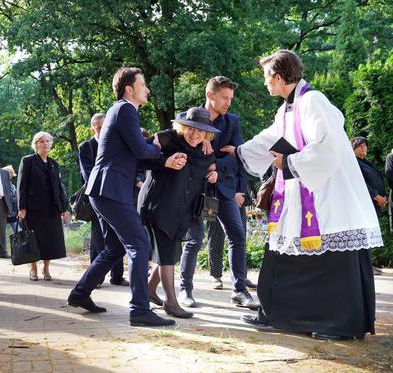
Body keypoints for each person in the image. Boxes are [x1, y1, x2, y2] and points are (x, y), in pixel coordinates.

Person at [225, 49, 380, 340]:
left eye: (266, 77)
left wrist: (291, 163)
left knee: (331, 265)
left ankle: (339, 325)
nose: (264, 83)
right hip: (300, 195)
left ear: (280, 77)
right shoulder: (287, 108)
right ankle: (276, 314)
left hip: (328, 198)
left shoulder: (313, 101)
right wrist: (240, 152)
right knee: (282, 255)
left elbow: (329, 147)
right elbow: (271, 138)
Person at [67, 67, 176, 327]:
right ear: (130, 88)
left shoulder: (121, 111)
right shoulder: (125, 109)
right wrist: (159, 148)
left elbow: (134, 155)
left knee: (116, 248)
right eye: (143, 84)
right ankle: (139, 310)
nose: (147, 89)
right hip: (110, 190)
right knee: (140, 245)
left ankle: (81, 293)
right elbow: (141, 149)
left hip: (107, 190)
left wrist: (164, 162)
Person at [178, 76, 259, 310]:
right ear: (209, 95)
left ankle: (239, 291)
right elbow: (186, 155)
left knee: (237, 235)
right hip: (194, 189)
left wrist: (216, 167)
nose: (228, 103)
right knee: (194, 240)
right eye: (224, 98)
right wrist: (210, 161)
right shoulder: (189, 119)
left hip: (222, 187)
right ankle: (185, 290)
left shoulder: (232, 122)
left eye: (230, 99)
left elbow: (237, 156)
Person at [139, 107, 219, 319]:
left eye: (201, 131)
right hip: (158, 205)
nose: (195, 134)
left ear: (207, 134)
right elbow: (141, 158)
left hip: (182, 209)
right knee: (166, 255)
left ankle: (148, 290)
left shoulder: (205, 150)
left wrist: (214, 173)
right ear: (183, 126)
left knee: (170, 254)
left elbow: (210, 166)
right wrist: (166, 161)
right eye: (191, 129)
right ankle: (171, 302)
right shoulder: (166, 139)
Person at [78, 113, 128, 286]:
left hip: (116, 196)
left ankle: (117, 276)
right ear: (93, 128)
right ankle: (97, 278)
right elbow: (87, 173)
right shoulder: (86, 147)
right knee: (98, 238)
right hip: (97, 197)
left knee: (117, 237)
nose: (101, 130)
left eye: (104, 127)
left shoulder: (116, 144)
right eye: (98, 128)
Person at [17, 131, 68, 281]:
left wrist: (63, 207)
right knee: (34, 239)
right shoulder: (28, 161)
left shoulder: (54, 164)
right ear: (35, 144)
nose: (45, 143)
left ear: (51, 144)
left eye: (47, 141)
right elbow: (21, 185)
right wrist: (22, 208)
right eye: (41, 141)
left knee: (50, 240)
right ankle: (33, 269)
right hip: (33, 209)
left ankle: (46, 268)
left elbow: (58, 187)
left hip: (51, 208)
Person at [352, 136, 385, 276]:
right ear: (353, 148)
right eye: (361, 146)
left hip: (374, 203)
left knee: (369, 236)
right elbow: (360, 183)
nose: (364, 148)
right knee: (363, 235)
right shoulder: (353, 163)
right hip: (364, 204)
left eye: (365, 145)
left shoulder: (365, 162)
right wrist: (375, 196)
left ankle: (368, 265)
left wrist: (382, 198)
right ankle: (365, 267)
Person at [3, 165, 19, 234]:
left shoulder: (12, 185)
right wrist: (19, 199)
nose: (9, 175)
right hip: (4, 213)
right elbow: (8, 198)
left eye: (10, 173)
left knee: (17, 232)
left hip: (13, 212)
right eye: (7, 173)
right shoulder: (1, 185)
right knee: (3, 234)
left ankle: (17, 245)